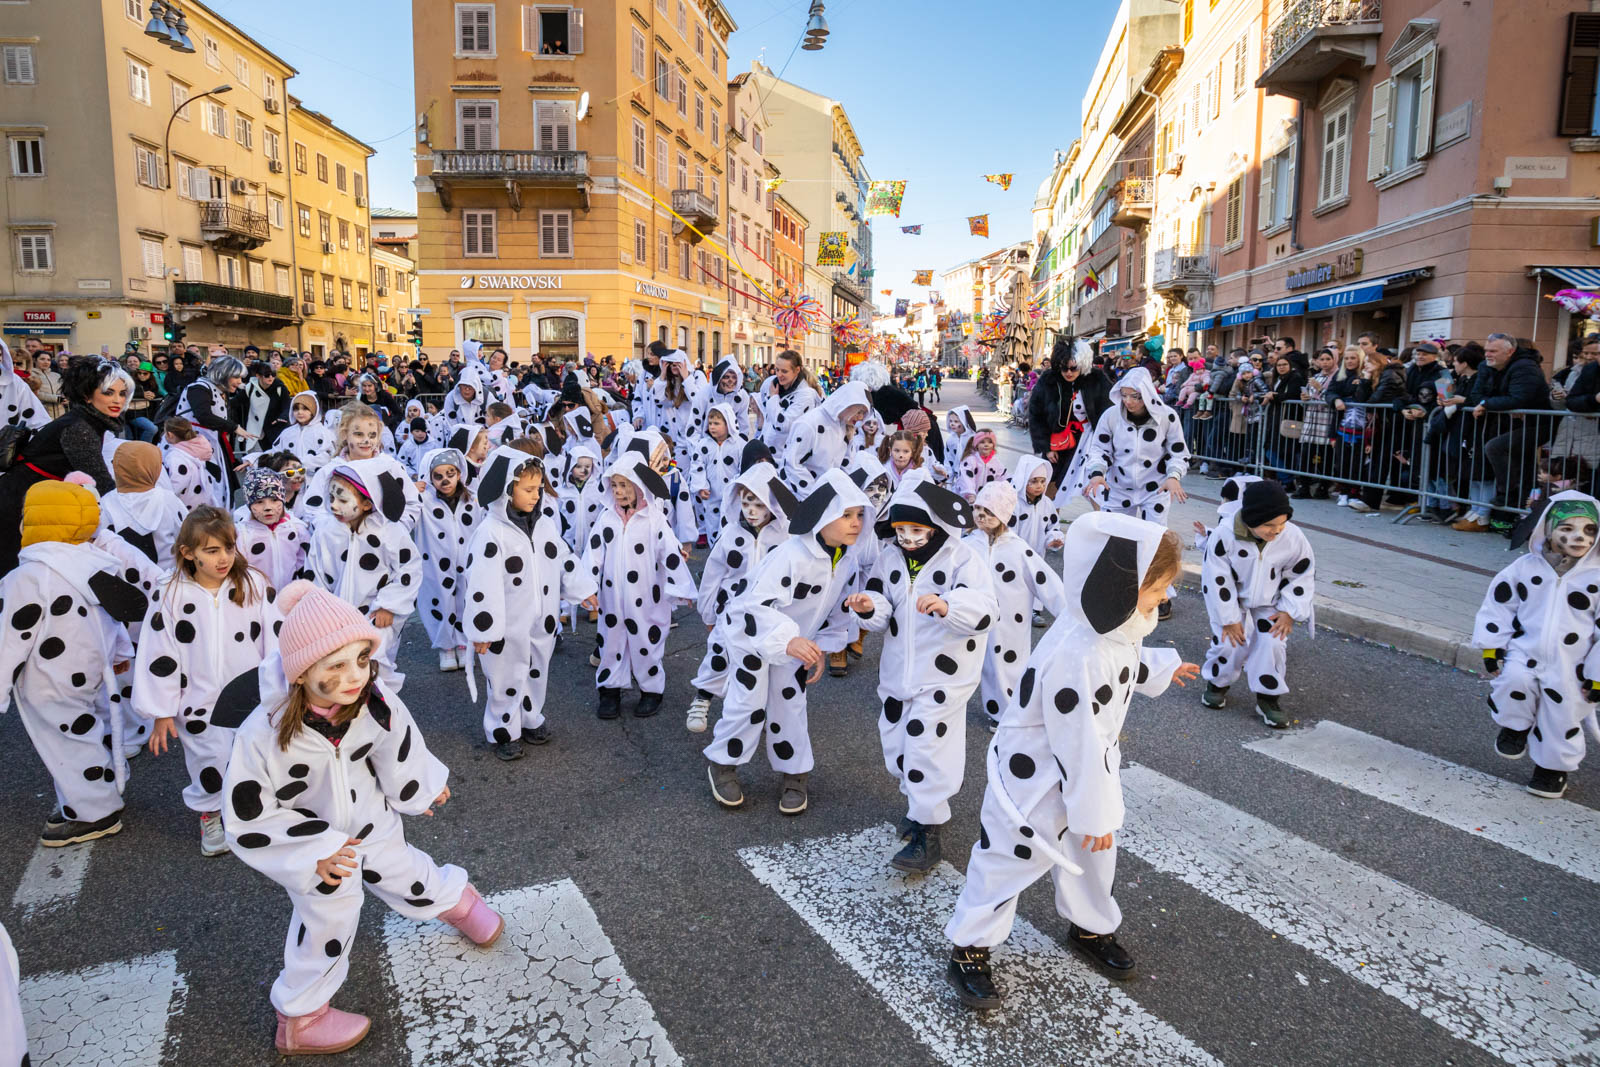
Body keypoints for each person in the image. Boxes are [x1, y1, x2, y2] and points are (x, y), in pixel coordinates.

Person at [219, 579, 503, 1055]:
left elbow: (400, 742)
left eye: (362, 659)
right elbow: (247, 815)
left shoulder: (372, 699)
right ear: (302, 670)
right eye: (336, 665)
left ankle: (456, 900)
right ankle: (300, 1018)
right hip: (316, 847)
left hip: (371, 818)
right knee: (327, 919)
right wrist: (312, 852)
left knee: (405, 869)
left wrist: (423, 785)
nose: (354, 676)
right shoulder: (261, 733)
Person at [943, 513, 1198, 1011]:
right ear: (1125, 587)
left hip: (1084, 771)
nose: (1164, 600)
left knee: (1093, 856)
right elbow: (1076, 737)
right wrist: (1093, 812)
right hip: (1036, 777)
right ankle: (969, 947)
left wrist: (1161, 665)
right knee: (1007, 860)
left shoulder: (1106, 626)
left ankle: (1090, 927)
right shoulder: (1082, 651)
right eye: (1158, 589)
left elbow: (1122, 661)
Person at [702, 468, 870, 814]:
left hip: (793, 641)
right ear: (823, 517)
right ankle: (723, 763)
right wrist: (787, 639)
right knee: (747, 703)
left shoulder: (848, 559)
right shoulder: (793, 554)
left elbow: (838, 610)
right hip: (750, 635)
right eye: (846, 515)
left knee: (790, 705)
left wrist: (820, 645)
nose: (856, 523)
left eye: (859, 515)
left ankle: (794, 772)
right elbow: (754, 603)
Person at [849, 480, 997, 872]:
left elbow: (984, 608)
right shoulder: (889, 558)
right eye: (901, 531)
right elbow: (883, 603)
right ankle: (918, 806)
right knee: (897, 745)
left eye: (917, 530)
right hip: (899, 673)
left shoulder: (962, 558)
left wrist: (948, 605)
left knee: (927, 747)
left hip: (945, 677)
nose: (908, 539)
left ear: (934, 526)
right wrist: (869, 607)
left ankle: (928, 832)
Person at [0, 479, 145, 846]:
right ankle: (103, 785)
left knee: (68, 740)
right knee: (90, 729)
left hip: (51, 676)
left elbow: (10, 637)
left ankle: (94, 812)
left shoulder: (27, 577)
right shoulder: (92, 562)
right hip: (91, 666)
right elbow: (116, 617)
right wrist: (119, 656)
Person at [134, 506, 281, 857]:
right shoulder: (169, 593)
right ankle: (212, 813)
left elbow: (275, 640)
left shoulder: (252, 584)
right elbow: (159, 651)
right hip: (196, 701)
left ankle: (258, 813)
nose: (224, 558)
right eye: (212, 551)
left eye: (229, 548)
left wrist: (282, 690)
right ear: (188, 552)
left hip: (250, 696)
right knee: (208, 760)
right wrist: (162, 711)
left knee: (258, 754)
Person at [465, 448, 599, 760]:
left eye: (538, 489)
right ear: (507, 490)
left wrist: (582, 590)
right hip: (505, 625)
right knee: (505, 676)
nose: (536, 496)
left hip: (543, 619)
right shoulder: (491, 533)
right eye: (528, 490)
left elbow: (563, 558)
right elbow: (480, 584)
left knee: (536, 669)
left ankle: (529, 717)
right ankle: (502, 729)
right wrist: (483, 629)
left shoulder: (545, 526)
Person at [1473, 490, 1600, 799]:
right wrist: (1492, 646)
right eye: (1567, 528)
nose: (1578, 537)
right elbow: (1499, 604)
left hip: (1573, 664)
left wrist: (1597, 675)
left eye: (1589, 530)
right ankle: (1514, 726)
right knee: (1513, 681)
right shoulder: (1524, 568)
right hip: (1525, 651)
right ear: (1548, 528)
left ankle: (1552, 770)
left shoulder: (1597, 577)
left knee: (1562, 714)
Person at [685, 451, 795, 733]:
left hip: (769, 613)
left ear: (772, 506)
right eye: (746, 503)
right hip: (731, 607)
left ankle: (759, 713)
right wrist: (708, 611)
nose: (752, 511)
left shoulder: (785, 538)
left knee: (765, 662)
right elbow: (713, 574)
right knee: (719, 651)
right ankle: (703, 697)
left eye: (759, 504)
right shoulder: (732, 534)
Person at [584, 453, 698, 720]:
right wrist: (586, 587)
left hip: (646, 595)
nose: (619, 491)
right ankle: (609, 690)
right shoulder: (606, 519)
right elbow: (592, 554)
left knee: (647, 641)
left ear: (637, 486)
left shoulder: (653, 519)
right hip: (611, 597)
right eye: (614, 485)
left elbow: (669, 552)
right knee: (610, 642)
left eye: (624, 485)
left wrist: (681, 587)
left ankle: (651, 690)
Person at [1196, 479, 1316, 728]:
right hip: (1234, 600)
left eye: (1282, 523)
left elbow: (1302, 573)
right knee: (1231, 643)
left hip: (1270, 601)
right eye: (1269, 525)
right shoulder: (1224, 535)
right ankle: (1217, 683)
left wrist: (1289, 611)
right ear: (1250, 520)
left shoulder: (1292, 537)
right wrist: (1229, 619)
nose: (1277, 531)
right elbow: (1216, 580)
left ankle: (1268, 698)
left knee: (1272, 643)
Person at [0, 357, 132, 574]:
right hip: (18, 505)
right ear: (87, 396)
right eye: (108, 392)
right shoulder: (79, 428)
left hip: (31, 501)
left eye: (122, 393)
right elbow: (101, 483)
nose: (117, 400)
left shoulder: (86, 421)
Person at [303, 458, 421, 692]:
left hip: (376, 615)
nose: (335, 506)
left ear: (368, 503)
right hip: (335, 618)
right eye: (332, 498)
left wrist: (388, 605)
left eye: (343, 500)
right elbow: (314, 572)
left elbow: (409, 569)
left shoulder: (389, 533)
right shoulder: (326, 533)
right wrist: (319, 611)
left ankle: (382, 710)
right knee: (341, 668)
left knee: (377, 664)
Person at [965, 480, 1066, 725]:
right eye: (978, 508)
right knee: (964, 662)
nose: (980, 515)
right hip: (971, 617)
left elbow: (1049, 585)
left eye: (988, 511)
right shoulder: (967, 544)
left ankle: (1006, 715)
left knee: (1005, 668)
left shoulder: (1019, 550)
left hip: (1009, 622)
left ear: (1002, 515)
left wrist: (1069, 616)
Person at [1460, 334, 1551, 532]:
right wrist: (1486, 402)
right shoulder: (1486, 366)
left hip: (1538, 423)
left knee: (1496, 447)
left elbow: (1518, 398)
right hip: (1510, 423)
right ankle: (1513, 513)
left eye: (1493, 351)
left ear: (1509, 352)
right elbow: (1475, 395)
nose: (1487, 355)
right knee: (1520, 463)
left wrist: (1487, 403)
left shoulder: (1525, 367)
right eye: (1486, 351)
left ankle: (1508, 493)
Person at [175, 355, 253, 495]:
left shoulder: (221, 390)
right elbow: (204, 416)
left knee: (219, 486)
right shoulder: (199, 388)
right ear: (223, 374)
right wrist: (234, 427)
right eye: (236, 377)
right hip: (192, 444)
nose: (240, 382)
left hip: (212, 443)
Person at [779, 380, 871, 494]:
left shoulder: (846, 428)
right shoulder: (809, 423)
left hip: (828, 497)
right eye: (859, 411)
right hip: (799, 497)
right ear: (848, 403)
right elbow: (792, 464)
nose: (861, 417)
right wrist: (815, 497)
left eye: (864, 413)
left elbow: (847, 466)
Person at [758, 349, 821, 454]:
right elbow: (767, 415)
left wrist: (774, 398)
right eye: (777, 370)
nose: (779, 375)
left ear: (797, 370)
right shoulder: (770, 384)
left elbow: (783, 425)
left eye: (784, 371)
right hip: (766, 452)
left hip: (786, 456)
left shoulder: (806, 395)